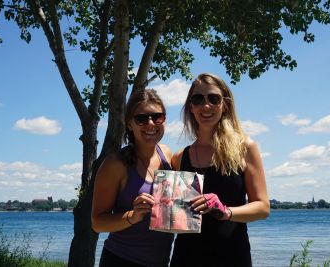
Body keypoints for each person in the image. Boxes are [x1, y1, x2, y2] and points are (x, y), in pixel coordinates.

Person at [170, 73, 270, 267]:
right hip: (186, 257)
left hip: (232, 256)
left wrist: (226, 211)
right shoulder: (180, 157)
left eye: (213, 99)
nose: (205, 106)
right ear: (191, 107)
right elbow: (175, 214)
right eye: (198, 99)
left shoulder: (245, 148)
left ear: (225, 105)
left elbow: (263, 208)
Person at [92, 89, 174, 267]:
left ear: (164, 120)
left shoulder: (166, 154)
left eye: (157, 117)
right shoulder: (115, 164)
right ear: (130, 123)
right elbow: (97, 223)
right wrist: (132, 216)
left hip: (161, 262)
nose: (150, 123)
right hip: (121, 260)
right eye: (141, 118)